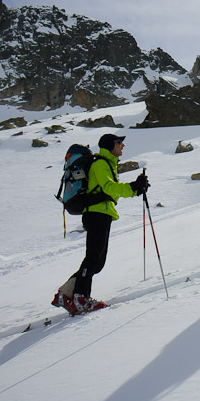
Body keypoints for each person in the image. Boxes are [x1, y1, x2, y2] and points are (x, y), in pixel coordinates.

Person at [52, 134, 149, 315]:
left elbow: (111, 193)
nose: (122, 145)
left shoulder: (107, 164)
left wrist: (136, 188)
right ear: (108, 145)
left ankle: (66, 294)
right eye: (118, 143)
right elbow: (109, 188)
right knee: (93, 258)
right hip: (96, 213)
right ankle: (80, 298)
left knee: (97, 262)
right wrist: (134, 187)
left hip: (101, 213)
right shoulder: (101, 164)